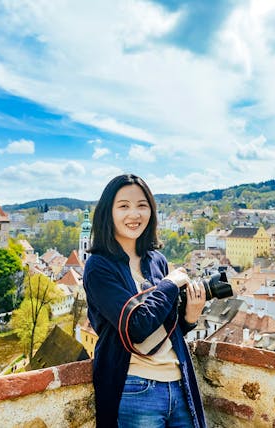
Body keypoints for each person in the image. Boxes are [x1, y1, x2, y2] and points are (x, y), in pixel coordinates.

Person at [83, 174, 206, 427]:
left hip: (178, 382)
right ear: (109, 212)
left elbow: (160, 328)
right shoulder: (99, 267)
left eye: (142, 205)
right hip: (134, 386)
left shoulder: (156, 261)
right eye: (124, 206)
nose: (134, 214)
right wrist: (170, 285)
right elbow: (136, 327)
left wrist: (190, 318)